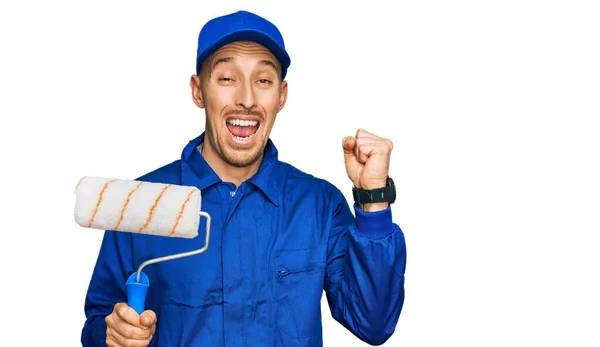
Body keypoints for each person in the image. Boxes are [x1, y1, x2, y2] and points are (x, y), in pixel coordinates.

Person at [81, 9, 406, 347]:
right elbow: (98, 320)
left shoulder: (319, 206)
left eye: (263, 81)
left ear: (281, 96)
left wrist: (373, 197)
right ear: (198, 91)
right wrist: (112, 335)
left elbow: (373, 324)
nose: (247, 99)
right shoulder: (141, 204)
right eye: (226, 78)